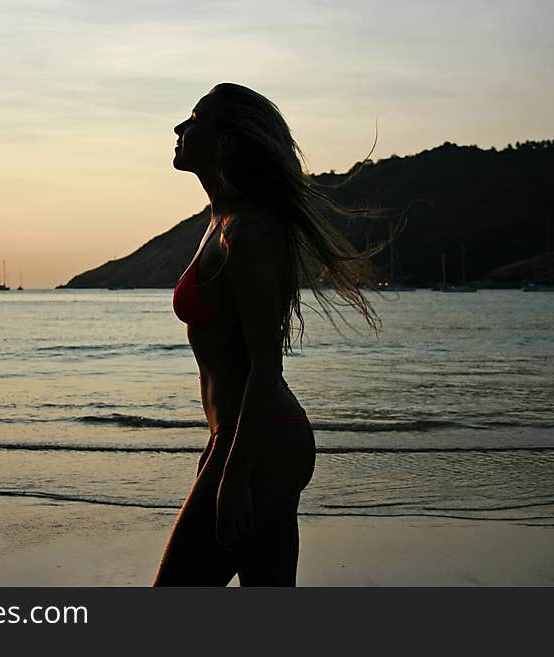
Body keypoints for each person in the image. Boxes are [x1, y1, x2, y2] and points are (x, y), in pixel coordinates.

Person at [153, 83, 382, 586]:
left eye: (194, 119)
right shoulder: (220, 220)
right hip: (246, 442)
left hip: (256, 445)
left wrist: (233, 476)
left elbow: (265, 365)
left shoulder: (249, 230)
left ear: (228, 140)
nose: (179, 128)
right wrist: (220, 453)